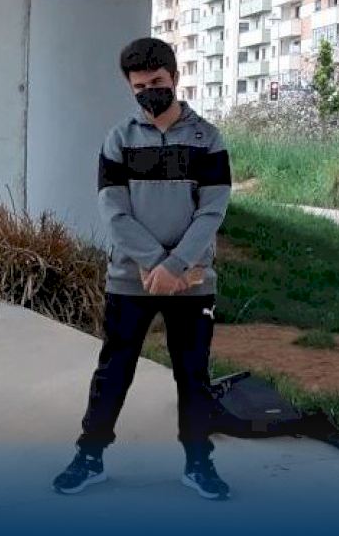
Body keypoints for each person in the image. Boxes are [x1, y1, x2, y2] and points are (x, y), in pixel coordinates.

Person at [52, 37, 232, 500]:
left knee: (193, 374)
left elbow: (212, 211)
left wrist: (176, 265)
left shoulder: (208, 139)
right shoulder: (118, 140)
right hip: (131, 280)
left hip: (192, 283)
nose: (150, 92)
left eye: (157, 82)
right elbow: (114, 212)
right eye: (139, 87)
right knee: (113, 371)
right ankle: (89, 457)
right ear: (129, 87)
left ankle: (199, 462)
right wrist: (155, 264)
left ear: (175, 77)